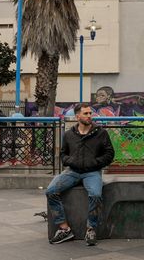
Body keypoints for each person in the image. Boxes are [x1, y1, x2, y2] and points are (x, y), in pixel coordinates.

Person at [47, 104, 115, 246]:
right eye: (85, 113)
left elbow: (109, 154)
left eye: (90, 113)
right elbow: (63, 154)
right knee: (50, 191)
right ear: (77, 116)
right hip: (72, 172)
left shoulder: (100, 133)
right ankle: (64, 229)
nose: (89, 116)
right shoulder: (69, 134)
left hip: (92, 173)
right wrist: (70, 161)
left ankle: (91, 229)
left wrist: (95, 163)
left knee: (95, 194)